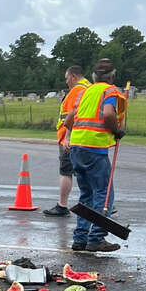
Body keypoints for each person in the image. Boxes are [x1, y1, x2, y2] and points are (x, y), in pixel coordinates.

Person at [65, 58, 126, 253]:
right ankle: (96, 238)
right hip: (94, 148)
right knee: (104, 193)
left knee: (86, 195)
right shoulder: (109, 91)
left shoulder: (85, 91)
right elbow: (108, 114)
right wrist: (116, 130)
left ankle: (80, 238)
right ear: (112, 76)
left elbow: (69, 119)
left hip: (77, 147)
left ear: (93, 76)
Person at [43, 65, 90, 216]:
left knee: (66, 171)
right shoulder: (90, 88)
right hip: (86, 136)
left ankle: (62, 205)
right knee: (89, 171)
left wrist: (67, 137)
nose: (66, 82)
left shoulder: (76, 91)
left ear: (73, 76)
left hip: (70, 137)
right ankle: (101, 203)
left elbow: (72, 114)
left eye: (67, 78)